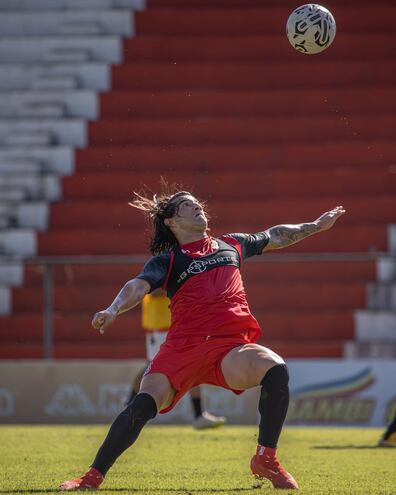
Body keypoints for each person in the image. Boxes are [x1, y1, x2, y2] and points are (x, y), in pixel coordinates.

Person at [59, 188, 345, 491]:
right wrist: (113, 308)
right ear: (171, 222)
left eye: (197, 204)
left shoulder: (231, 244)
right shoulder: (168, 260)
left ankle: (266, 459)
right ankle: (91, 477)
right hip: (182, 349)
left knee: (275, 368)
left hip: (229, 349)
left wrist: (315, 226)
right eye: (186, 206)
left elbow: (275, 234)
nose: (197, 208)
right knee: (142, 406)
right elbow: (137, 285)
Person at [126, 288, 227, 429]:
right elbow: (151, 290)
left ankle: (199, 415)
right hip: (161, 325)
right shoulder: (159, 267)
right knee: (151, 368)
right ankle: (128, 408)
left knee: (192, 364)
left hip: (175, 323)